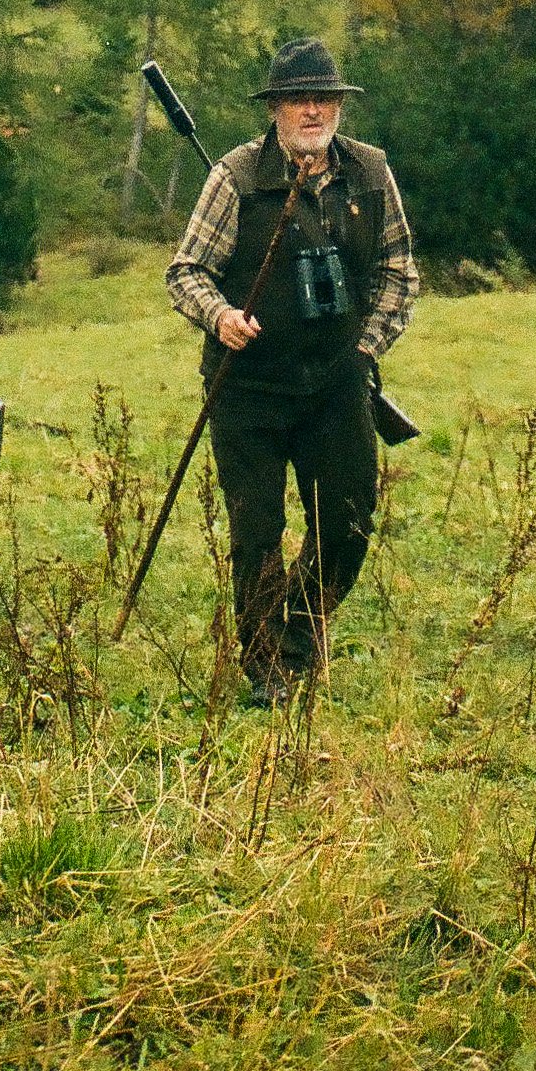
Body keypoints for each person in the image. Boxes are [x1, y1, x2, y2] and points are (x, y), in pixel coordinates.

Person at [166, 37, 418, 702]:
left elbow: (398, 272)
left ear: (338, 105)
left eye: (324, 99)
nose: (313, 111)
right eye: (298, 99)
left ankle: (299, 638)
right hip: (245, 388)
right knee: (257, 531)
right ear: (275, 108)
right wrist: (220, 316)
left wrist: (364, 349)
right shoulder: (235, 176)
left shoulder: (370, 172)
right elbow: (185, 272)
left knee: (349, 520)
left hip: (336, 383)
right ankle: (265, 667)